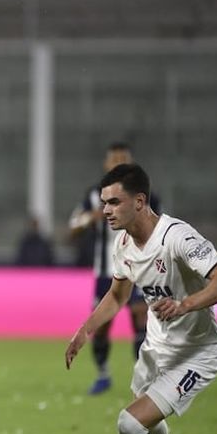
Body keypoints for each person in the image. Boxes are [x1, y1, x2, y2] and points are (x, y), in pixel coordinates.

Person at [65, 163, 217, 434]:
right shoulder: (123, 243)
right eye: (104, 202)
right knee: (146, 417)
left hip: (198, 351)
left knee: (129, 423)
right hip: (157, 347)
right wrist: (85, 329)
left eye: (114, 202)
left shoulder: (177, 237)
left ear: (139, 201)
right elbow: (118, 295)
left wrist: (185, 304)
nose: (106, 210)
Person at [69, 142, 158, 395]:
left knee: (140, 315)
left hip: (138, 265)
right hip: (105, 270)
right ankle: (103, 374)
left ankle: (145, 376)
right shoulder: (93, 195)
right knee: (103, 323)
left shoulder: (144, 192)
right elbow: (73, 226)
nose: (118, 162)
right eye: (114, 158)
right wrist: (90, 219)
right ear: (107, 164)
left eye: (123, 158)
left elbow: (157, 224)